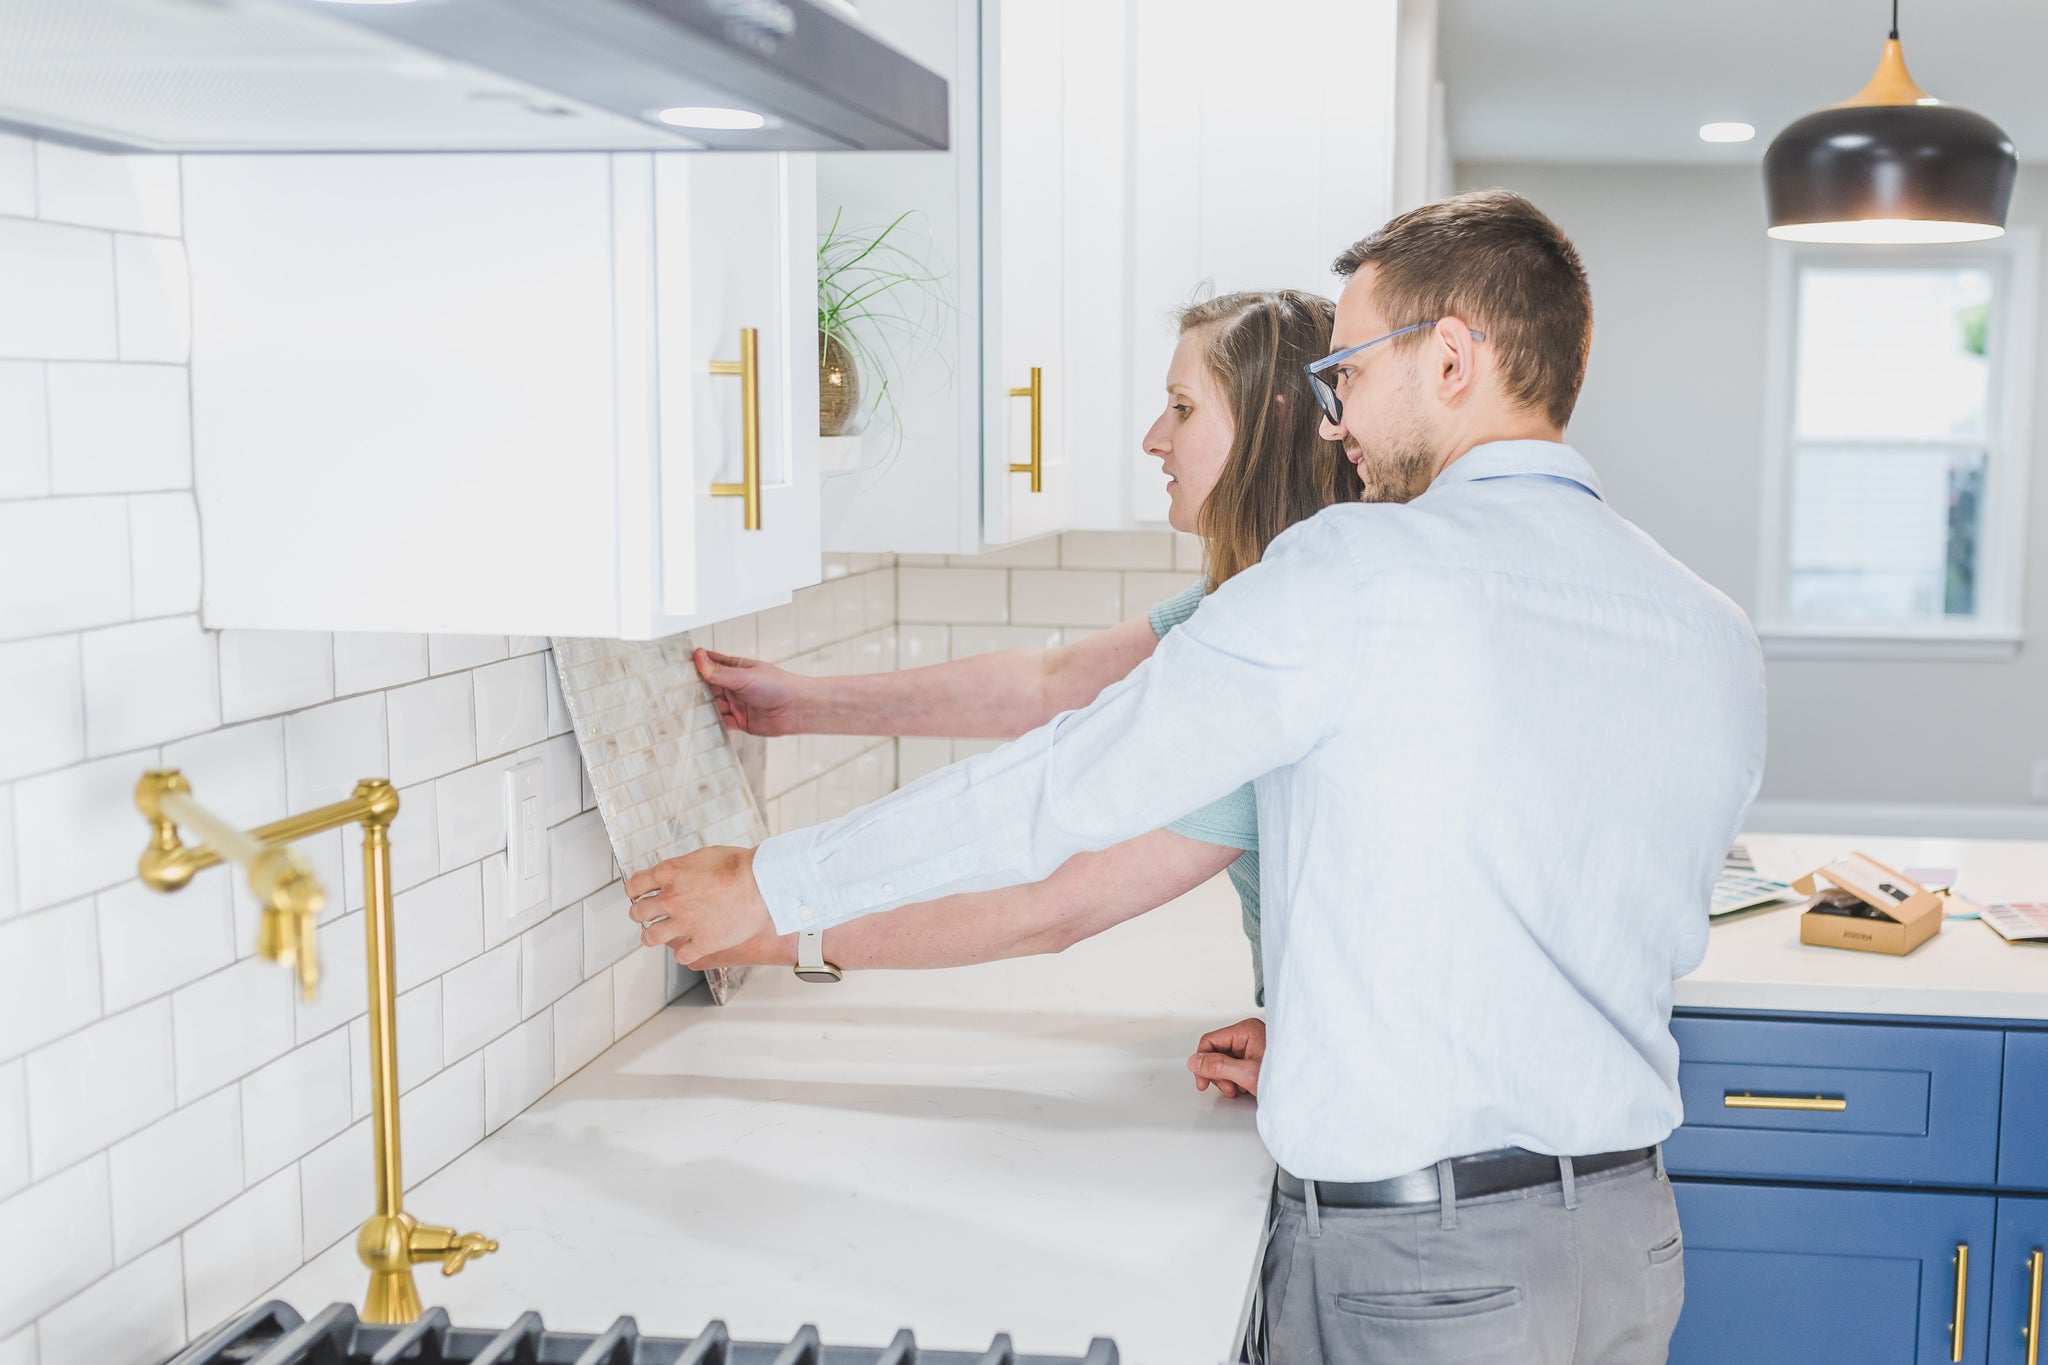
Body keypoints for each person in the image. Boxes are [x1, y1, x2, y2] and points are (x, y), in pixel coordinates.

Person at [626, 190, 1768, 1365]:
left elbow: (1065, 787)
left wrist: (776, 886)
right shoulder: (1706, 627)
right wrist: (1338, 1042)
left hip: (1420, 1272)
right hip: (1628, 1247)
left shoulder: (1355, 574)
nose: (1335, 421)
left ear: (1450, 357)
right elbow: (1563, 903)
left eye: (1352, 374)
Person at [690, 287, 1358, 1098]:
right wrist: (805, 704)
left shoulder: (1275, 644)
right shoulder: (1254, 597)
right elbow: (1055, 682)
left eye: (1182, 408)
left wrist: (765, 926)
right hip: (1336, 1066)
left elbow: (1057, 904)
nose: (1154, 438)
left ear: (1273, 420)